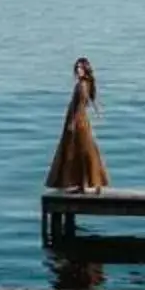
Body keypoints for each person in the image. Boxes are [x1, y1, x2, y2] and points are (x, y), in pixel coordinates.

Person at [46, 56, 109, 193]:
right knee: (84, 151)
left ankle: (85, 184)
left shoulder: (81, 85)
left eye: (80, 68)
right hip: (81, 121)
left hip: (78, 121)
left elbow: (79, 105)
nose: (78, 70)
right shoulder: (86, 83)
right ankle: (90, 183)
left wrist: (72, 123)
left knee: (79, 152)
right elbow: (87, 102)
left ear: (86, 69)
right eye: (77, 68)